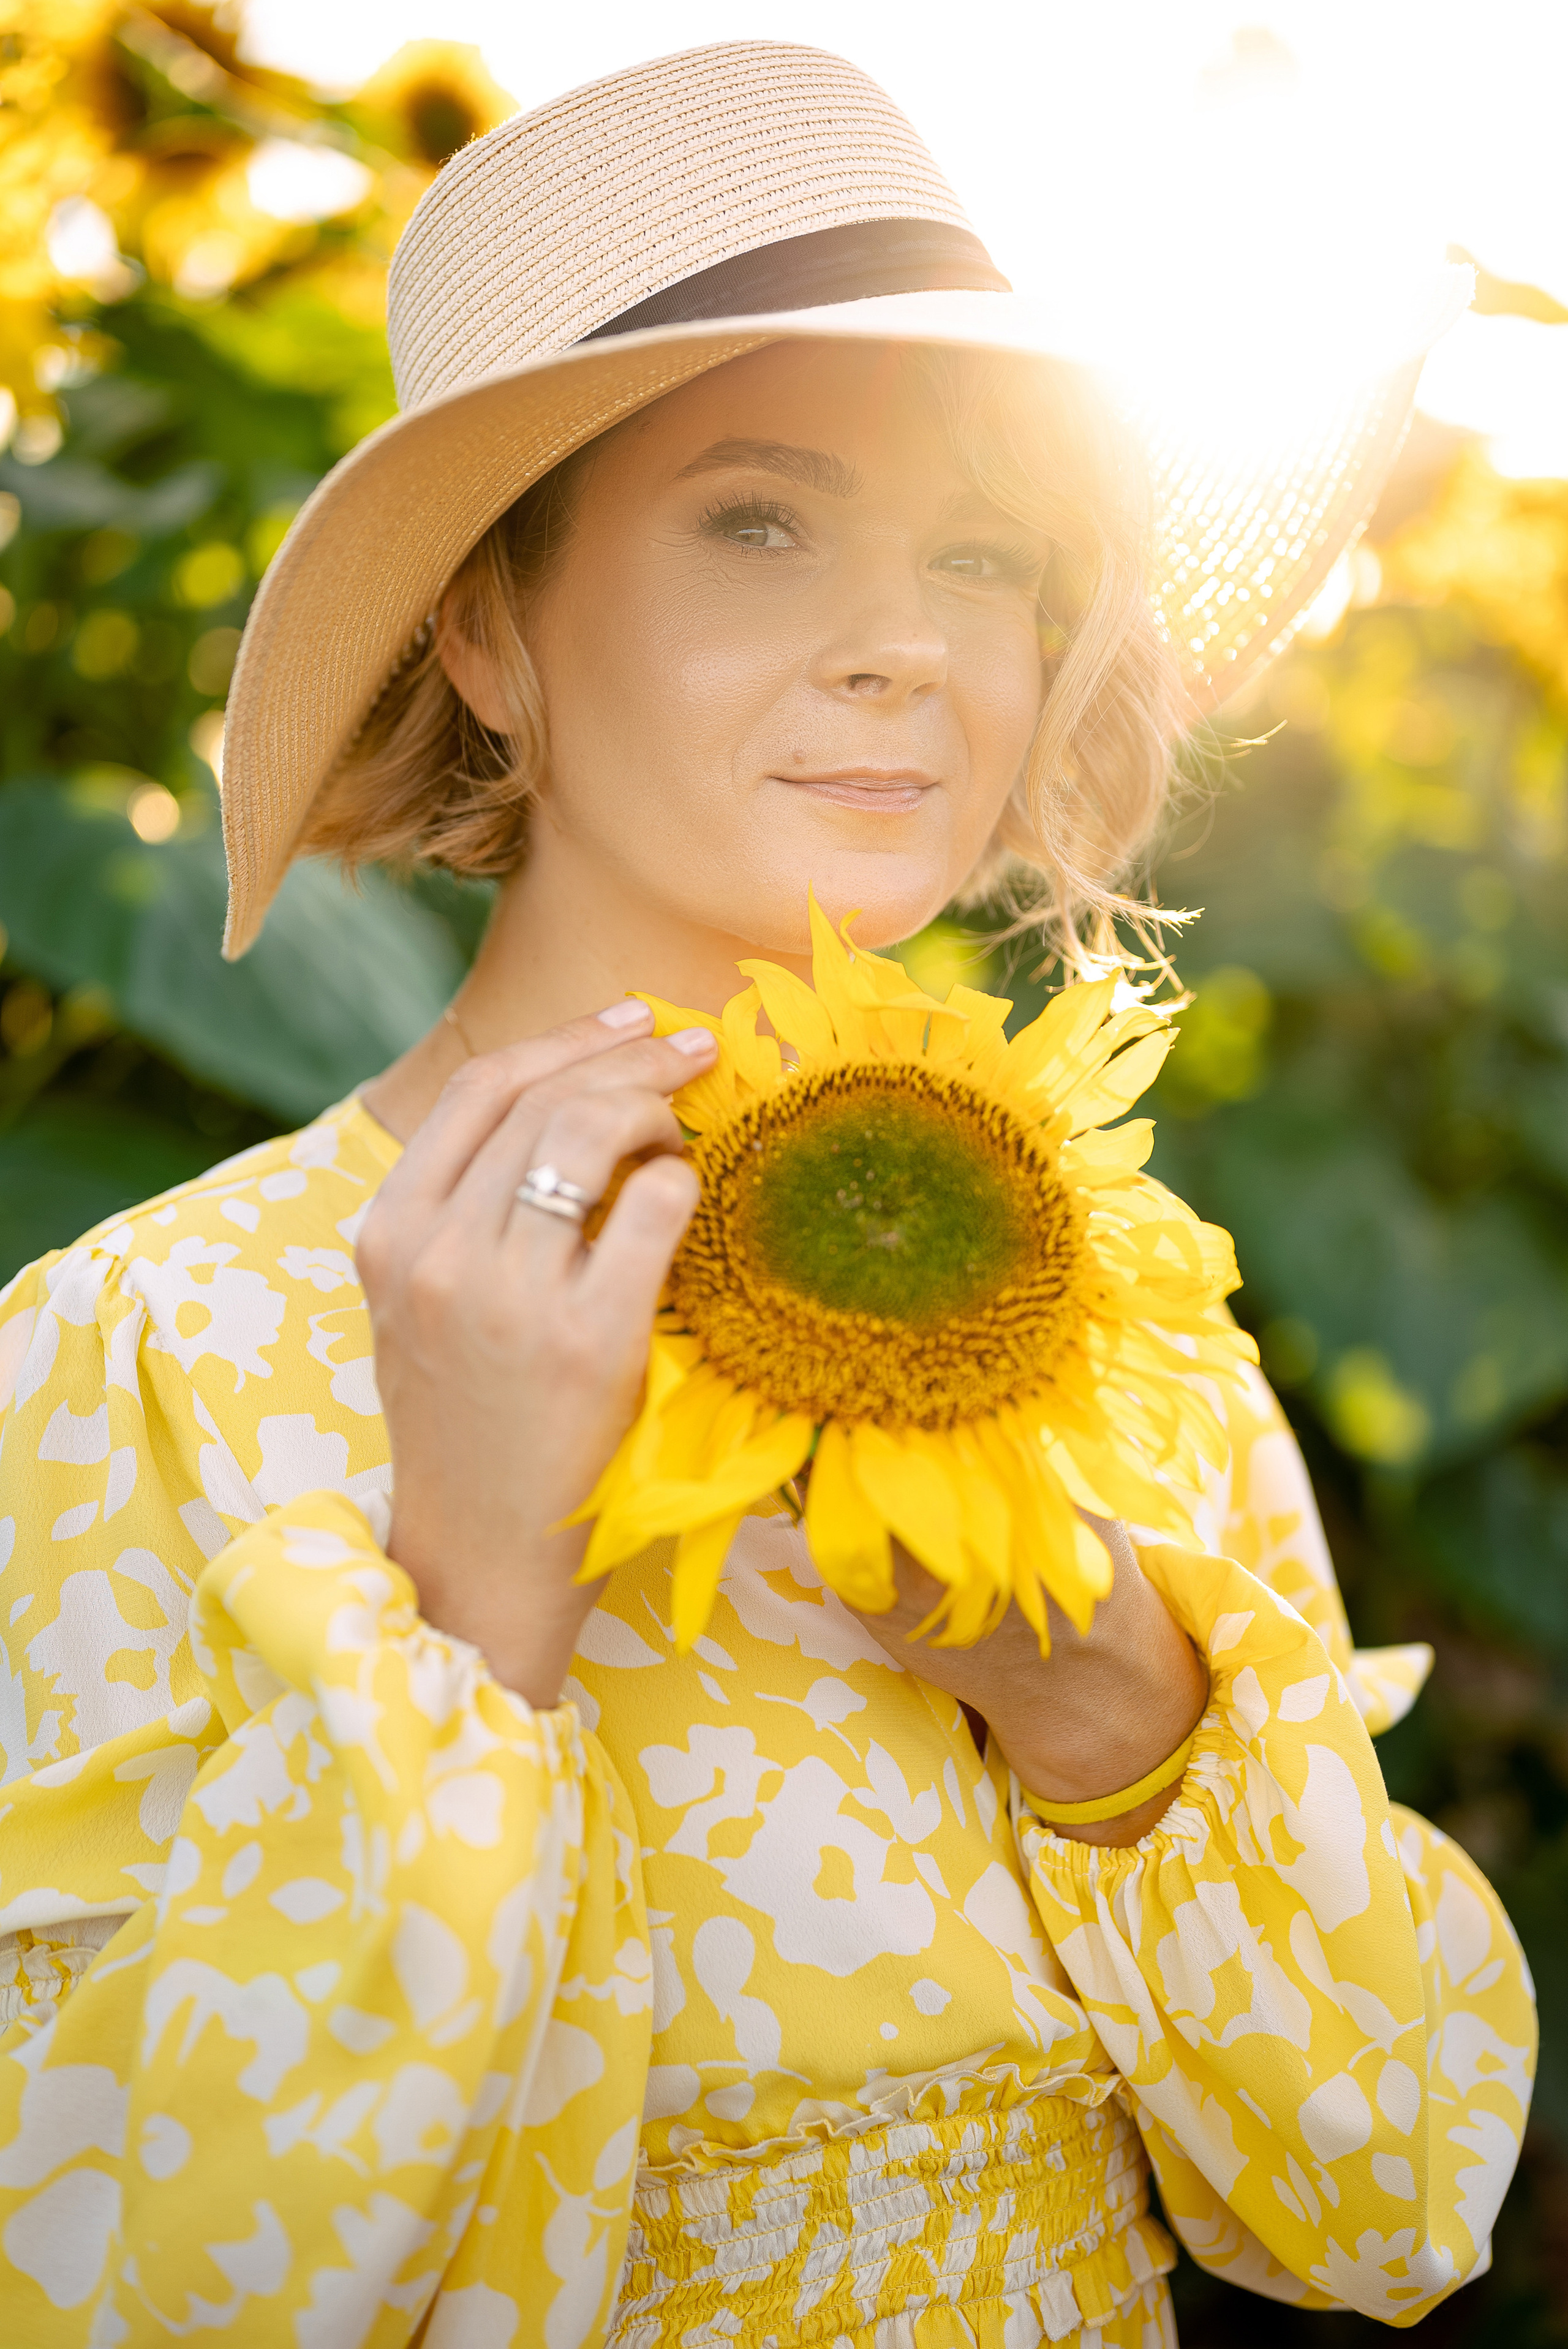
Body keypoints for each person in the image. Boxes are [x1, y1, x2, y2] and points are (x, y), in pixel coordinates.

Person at [0, 40, 1534, 2348]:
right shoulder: (147, 1348)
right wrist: (466, 1606)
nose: (910, 644)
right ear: (486, 625)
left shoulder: (1111, 1306)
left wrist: (1112, 1706)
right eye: (757, 519)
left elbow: (1393, 2200)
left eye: (985, 555)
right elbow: (101, 2279)